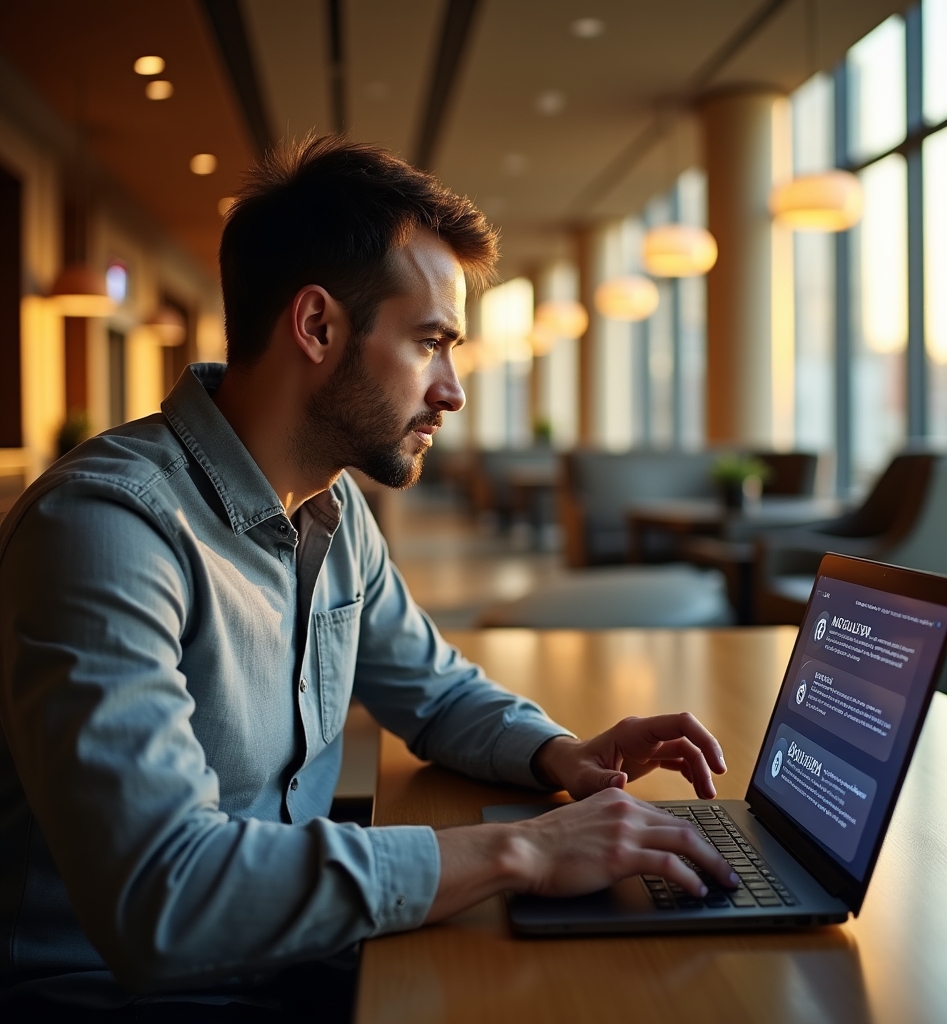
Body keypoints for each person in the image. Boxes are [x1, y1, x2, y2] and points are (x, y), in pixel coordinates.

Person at [0, 136, 737, 1010]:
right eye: (431, 342)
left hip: (285, 954)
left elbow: (435, 690)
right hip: (115, 992)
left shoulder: (334, 512)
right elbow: (162, 895)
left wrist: (562, 754)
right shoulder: (106, 528)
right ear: (317, 327)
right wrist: (523, 851)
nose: (454, 391)